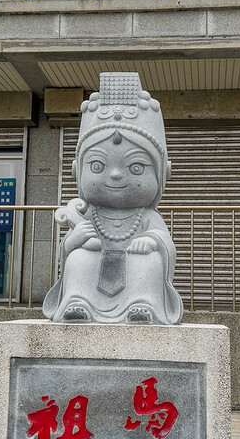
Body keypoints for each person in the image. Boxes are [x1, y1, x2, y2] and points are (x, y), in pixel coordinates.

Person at [43, 73, 183, 325]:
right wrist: (75, 239)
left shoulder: (147, 216)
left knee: (149, 262)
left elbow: (166, 242)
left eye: (136, 167)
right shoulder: (88, 214)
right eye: (98, 166)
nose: (116, 175)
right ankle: (78, 302)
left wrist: (152, 240)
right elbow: (66, 249)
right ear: (77, 171)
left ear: (162, 175)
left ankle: (143, 304)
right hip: (93, 274)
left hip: (135, 273)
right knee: (79, 258)